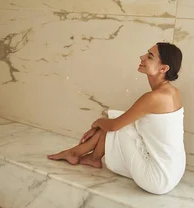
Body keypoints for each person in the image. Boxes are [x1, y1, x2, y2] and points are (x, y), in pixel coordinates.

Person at [47, 42, 185, 195]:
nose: (142, 57)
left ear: (163, 68)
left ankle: (81, 154)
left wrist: (97, 123)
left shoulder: (154, 97)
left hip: (158, 178)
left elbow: (114, 126)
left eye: (149, 56)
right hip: (175, 170)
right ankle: (91, 157)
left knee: (116, 123)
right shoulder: (173, 92)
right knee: (119, 120)